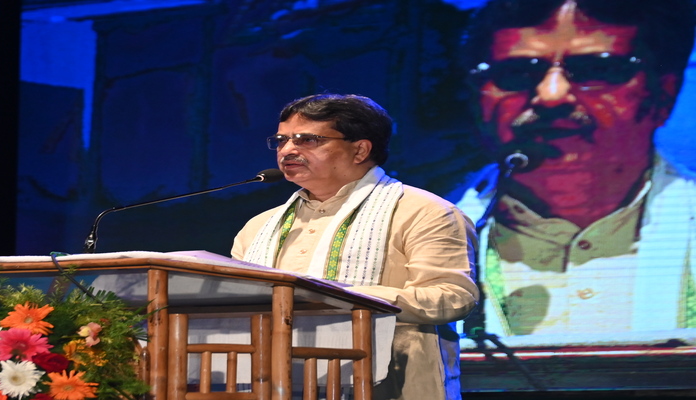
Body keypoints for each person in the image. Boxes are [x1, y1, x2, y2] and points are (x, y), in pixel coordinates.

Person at [457, 0, 696, 340]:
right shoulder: (416, 237)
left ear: (665, 95)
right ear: (477, 96)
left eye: (595, 69)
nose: (551, 95)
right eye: (518, 73)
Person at [232, 94, 479, 400]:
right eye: (282, 140)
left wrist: (339, 297)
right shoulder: (260, 227)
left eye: (307, 139)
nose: (288, 150)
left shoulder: (424, 212)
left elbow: (453, 297)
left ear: (360, 149)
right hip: (271, 385)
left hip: (390, 386)